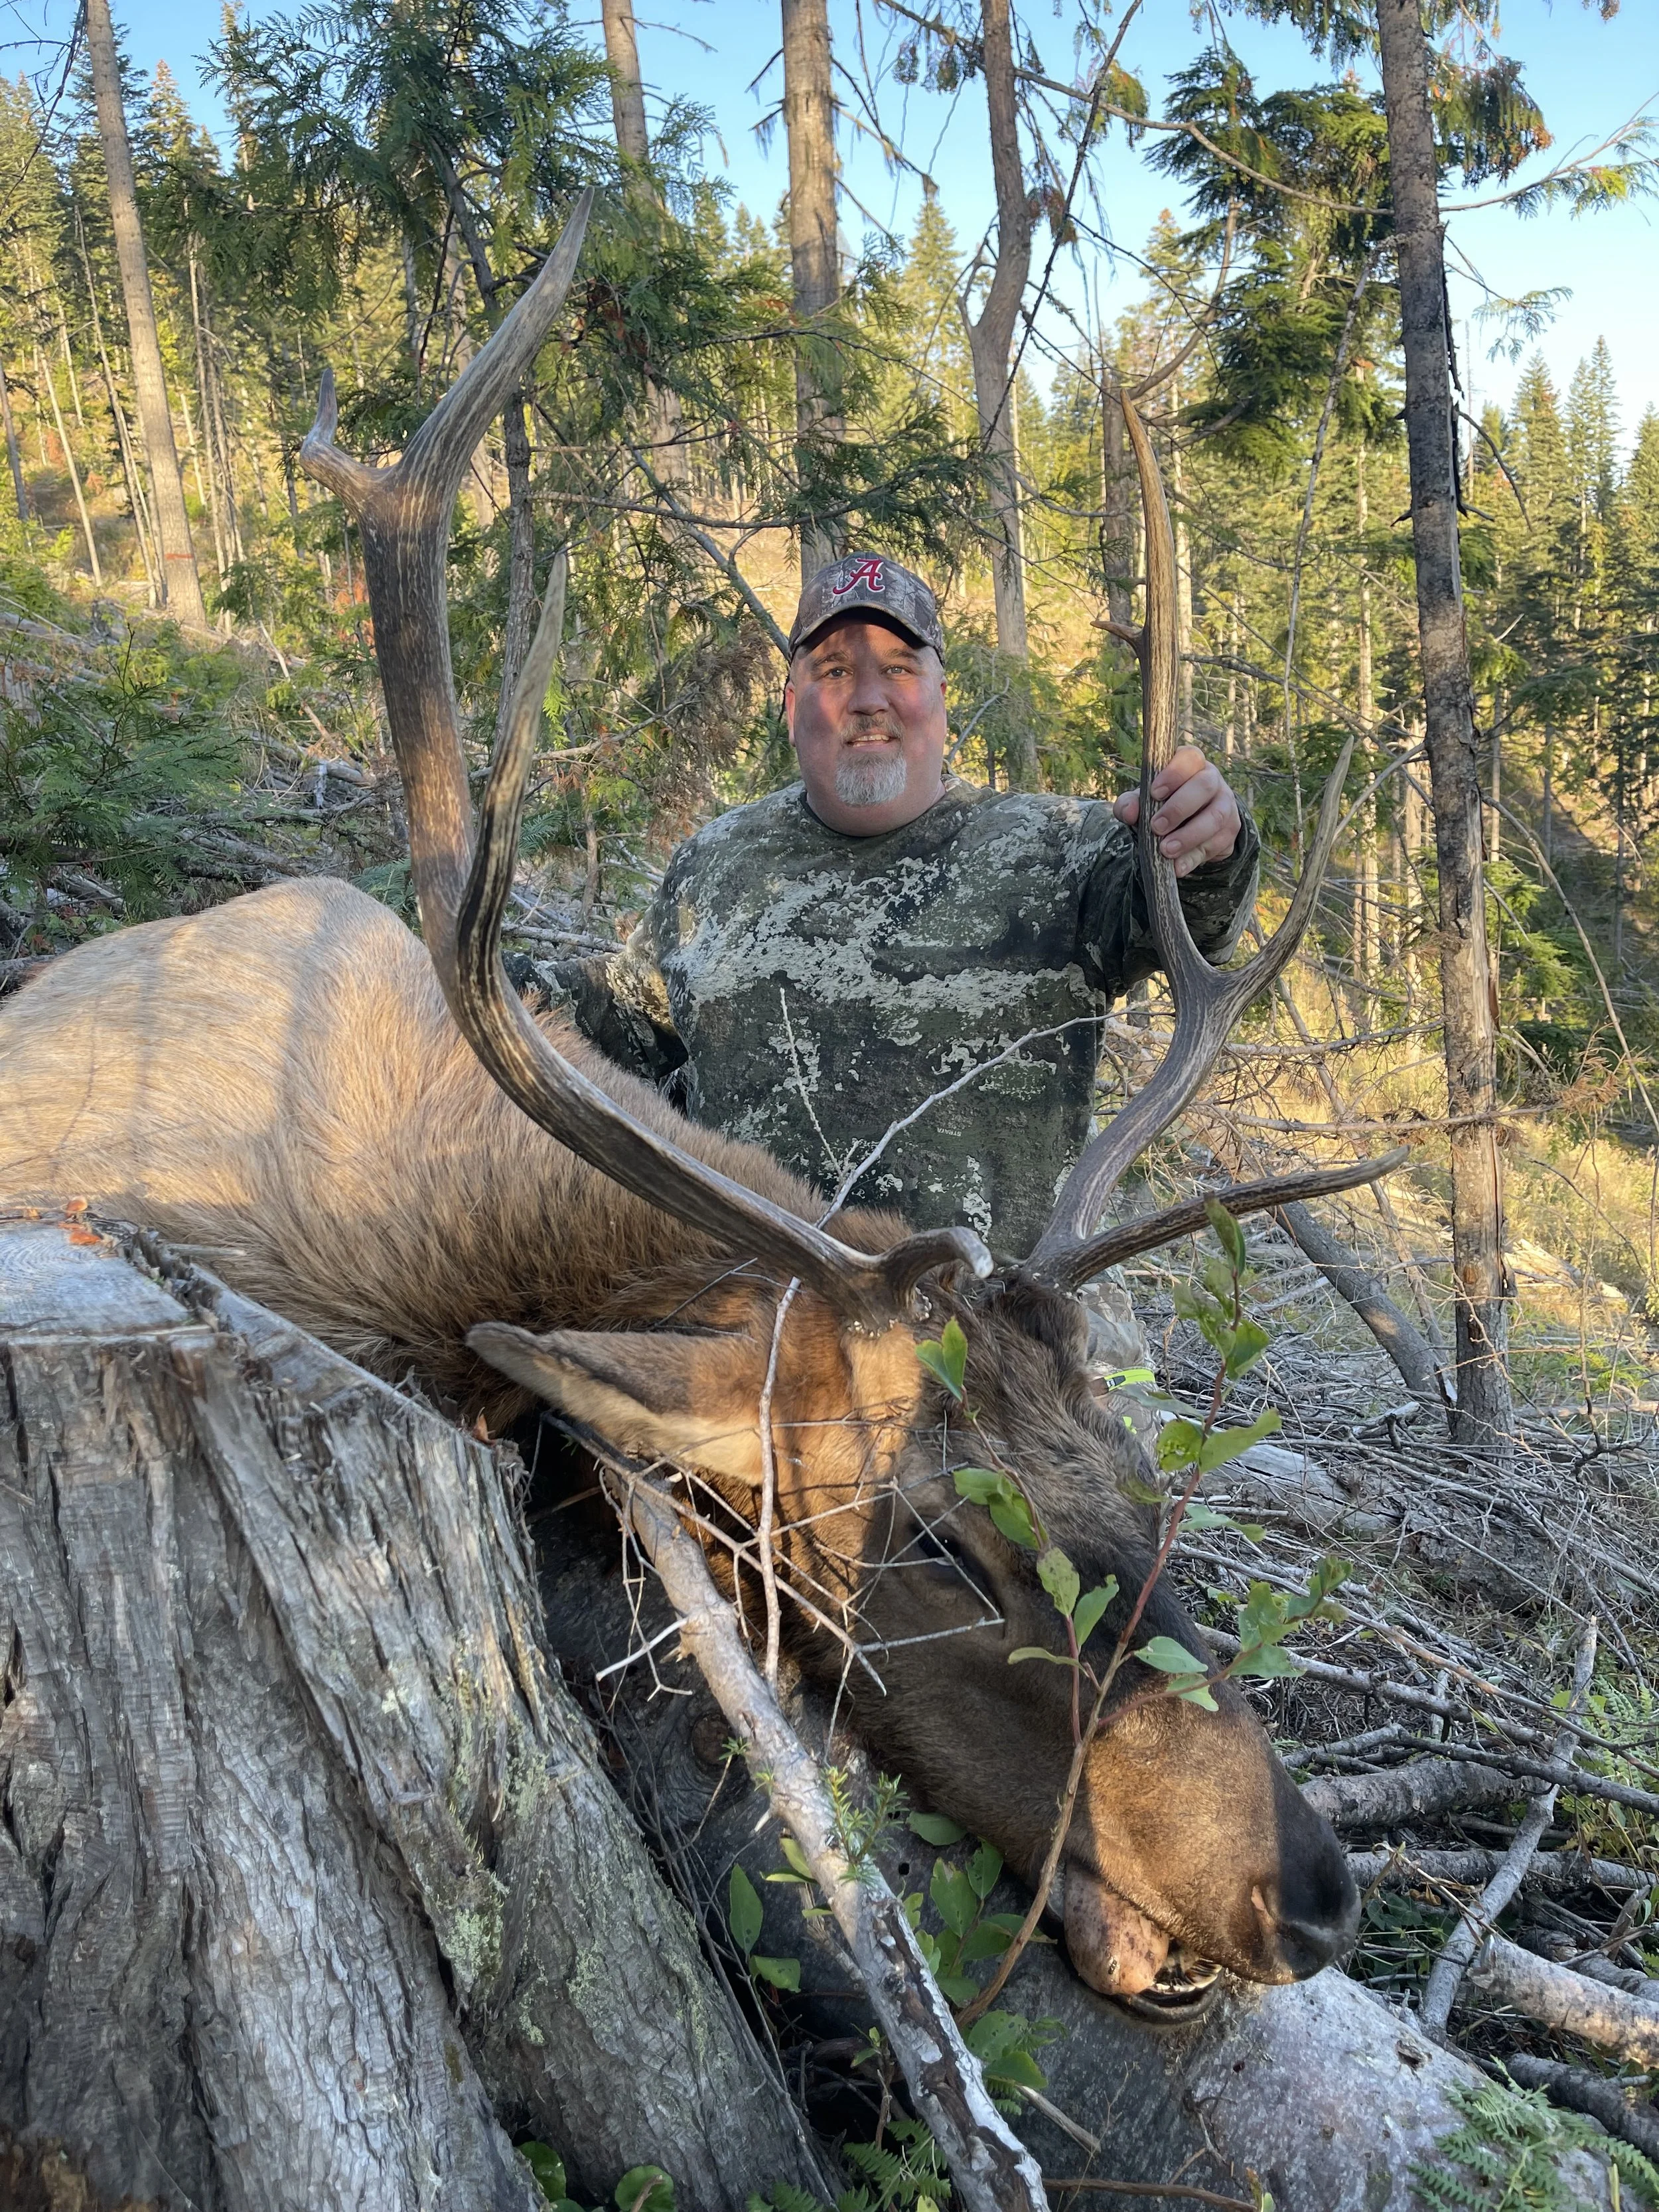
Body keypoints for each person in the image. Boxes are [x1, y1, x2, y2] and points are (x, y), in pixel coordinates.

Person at [538, 551, 1256, 1364]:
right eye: (834, 670)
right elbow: (629, 1015)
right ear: (790, 705)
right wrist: (440, 980)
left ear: (941, 697)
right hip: (765, 1347)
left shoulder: (1062, 850)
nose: (869, 698)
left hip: (1002, 1350)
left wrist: (1208, 843)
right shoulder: (718, 861)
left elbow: (1191, 920)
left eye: (899, 668)